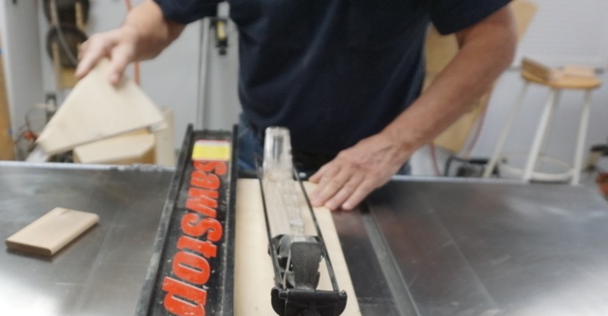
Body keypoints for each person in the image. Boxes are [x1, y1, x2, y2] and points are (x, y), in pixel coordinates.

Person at [75, 1, 518, 211]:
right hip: (262, 151)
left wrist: (392, 146)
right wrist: (132, 33)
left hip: (375, 168)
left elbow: (493, 38)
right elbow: (166, 14)